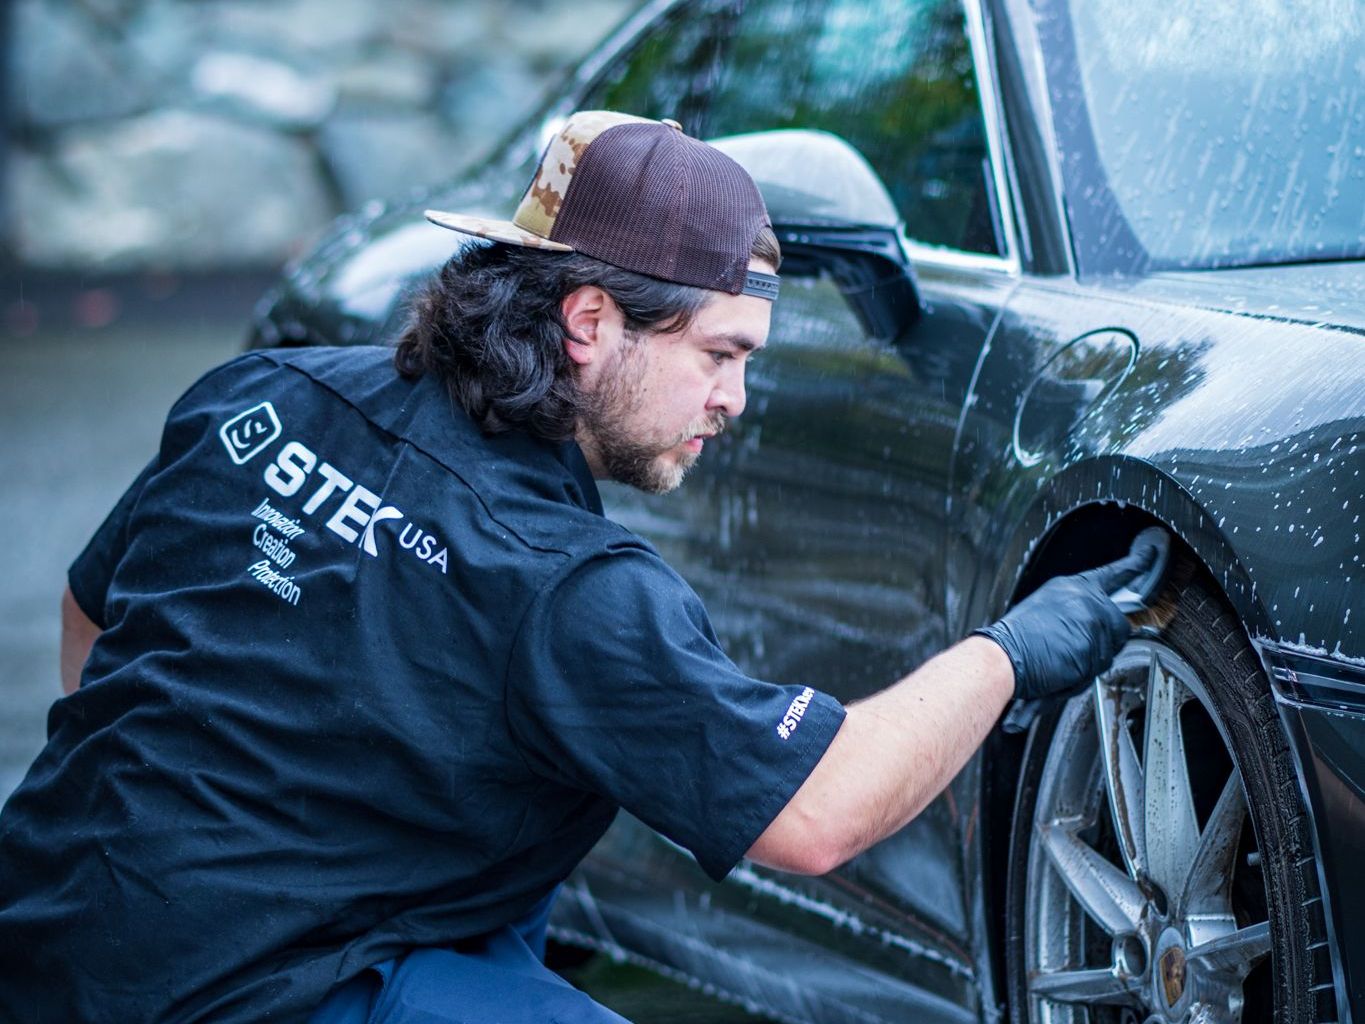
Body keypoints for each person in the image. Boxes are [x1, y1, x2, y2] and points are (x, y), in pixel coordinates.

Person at [0, 111, 1152, 1023]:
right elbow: (820, 812)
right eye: (720, 352)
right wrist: (1015, 648)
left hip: (39, 929)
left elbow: (88, 618)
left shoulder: (262, 397)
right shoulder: (567, 585)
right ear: (591, 321)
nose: (735, 399)